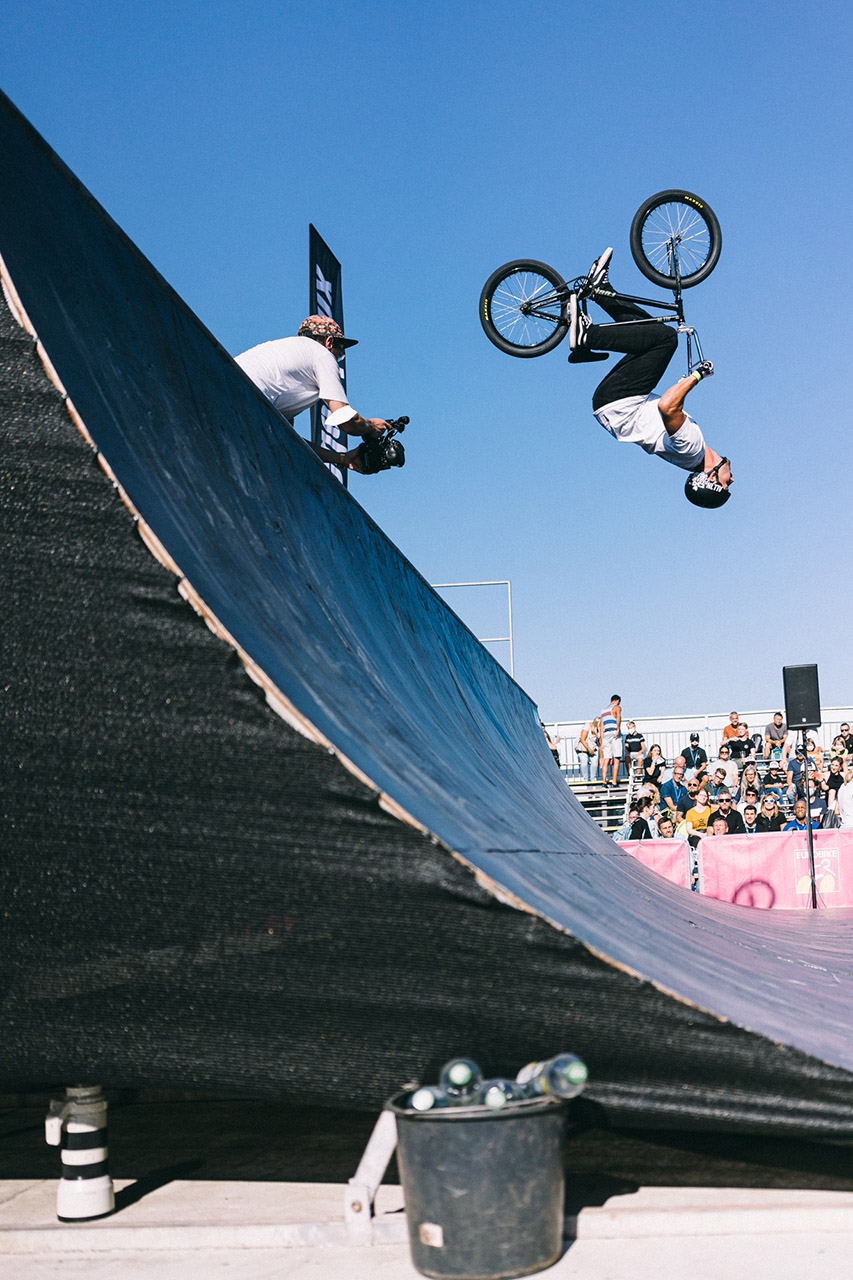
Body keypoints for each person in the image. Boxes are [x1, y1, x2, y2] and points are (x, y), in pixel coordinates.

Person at [568, 249, 733, 509]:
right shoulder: (691, 454)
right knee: (650, 331)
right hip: (616, 405)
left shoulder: (691, 449)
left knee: (666, 339)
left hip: (620, 401)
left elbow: (667, 406)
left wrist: (698, 375)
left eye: (726, 486)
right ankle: (600, 291)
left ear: (710, 478)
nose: (731, 480)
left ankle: (587, 337)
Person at [235, 316, 388, 473]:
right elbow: (346, 420)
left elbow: (288, 440)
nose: (337, 358)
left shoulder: (278, 355)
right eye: (340, 353)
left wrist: (342, 458)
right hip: (245, 401)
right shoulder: (322, 354)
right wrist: (370, 426)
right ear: (329, 342)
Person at [599, 694, 623, 787]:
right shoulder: (617, 707)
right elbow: (618, 718)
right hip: (614, 734)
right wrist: (617, 730)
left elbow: (602, 726)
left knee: (606, 758)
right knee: (617, 758)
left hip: (606, 735)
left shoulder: (603, 711)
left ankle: (604, 781)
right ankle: (614, 782)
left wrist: (601, 739)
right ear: (617, 700)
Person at [576, 717, 600, 782]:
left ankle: (593, 778)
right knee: (584, 761)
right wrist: (589, 749)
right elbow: (582, 739)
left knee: (595, 761)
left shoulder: (599, 730)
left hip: (593, 747)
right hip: (583, 748)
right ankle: (585, 779)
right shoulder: (587, 726)